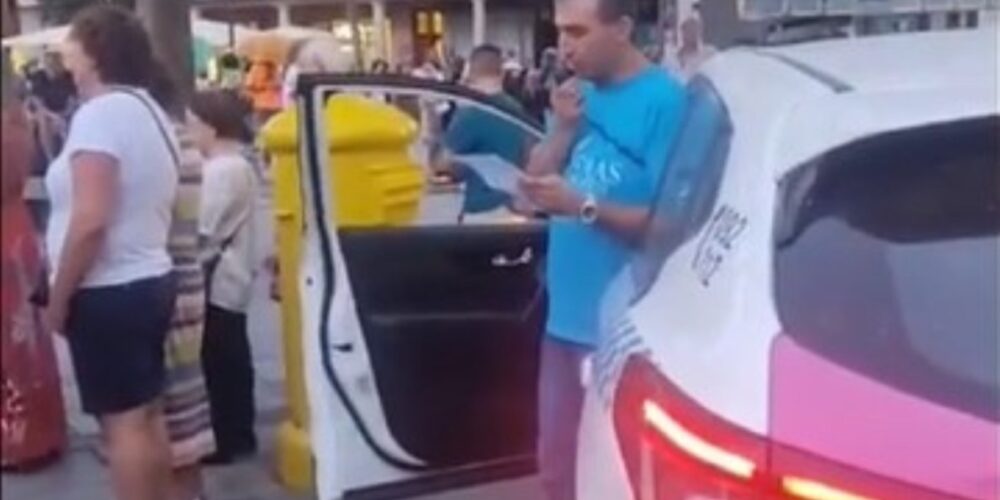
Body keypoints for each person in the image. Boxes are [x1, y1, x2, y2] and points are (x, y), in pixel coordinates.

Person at [518, 0, 686, 499]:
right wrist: (564, 129)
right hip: (562, 324)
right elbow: (532, 181)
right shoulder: (578, 94)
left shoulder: (666, 102)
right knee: (556, 469)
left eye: (577, 31)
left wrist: (582, 206)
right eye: (559, 31)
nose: (564, 45)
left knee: (614, 477)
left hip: (620, 334)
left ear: (623, 29)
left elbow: (670, 223)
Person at [44, 6, 179, 500]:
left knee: (120, 427)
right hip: (148, 277)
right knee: (146, 416)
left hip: (107, 290)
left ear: (95, 52)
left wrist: (59, 299)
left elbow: (90, 219)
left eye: (72, 51)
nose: (67, 63)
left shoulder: (99, 115)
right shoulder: (149, 111)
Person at [146, 66, 216, 500]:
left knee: (172, 413)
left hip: (166, 277)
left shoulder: (163, 144)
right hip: (185, 276)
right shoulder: (183, 144)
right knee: (185, 408)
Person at [1, 50, 67, 471]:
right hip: (17, 228)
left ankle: (16, 438)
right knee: (27, 339)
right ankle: (41, 430)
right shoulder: (17, 123)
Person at [189, 90, 260, 466]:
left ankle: (226, 436)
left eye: (193, 123)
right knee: (230, 357)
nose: (190, 131)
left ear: (211, 127)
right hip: (233, 275)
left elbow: (203, 227)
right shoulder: (238, 165)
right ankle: (239, 432)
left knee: (220, 361)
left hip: (220, 277)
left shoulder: (222, 169)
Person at [434, 44, 529, 218]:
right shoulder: (516, 108)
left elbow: (442, 164)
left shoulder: (471, 113)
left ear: (470, 72)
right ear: (501, 72)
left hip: (481, 208)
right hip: (514, 205)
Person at [662, 13, 717, 81]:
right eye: (688, 29)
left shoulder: (709, 54)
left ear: (700, 31)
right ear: (682, 32)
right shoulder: (670, 59)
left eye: (695, 28)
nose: (692, 32)